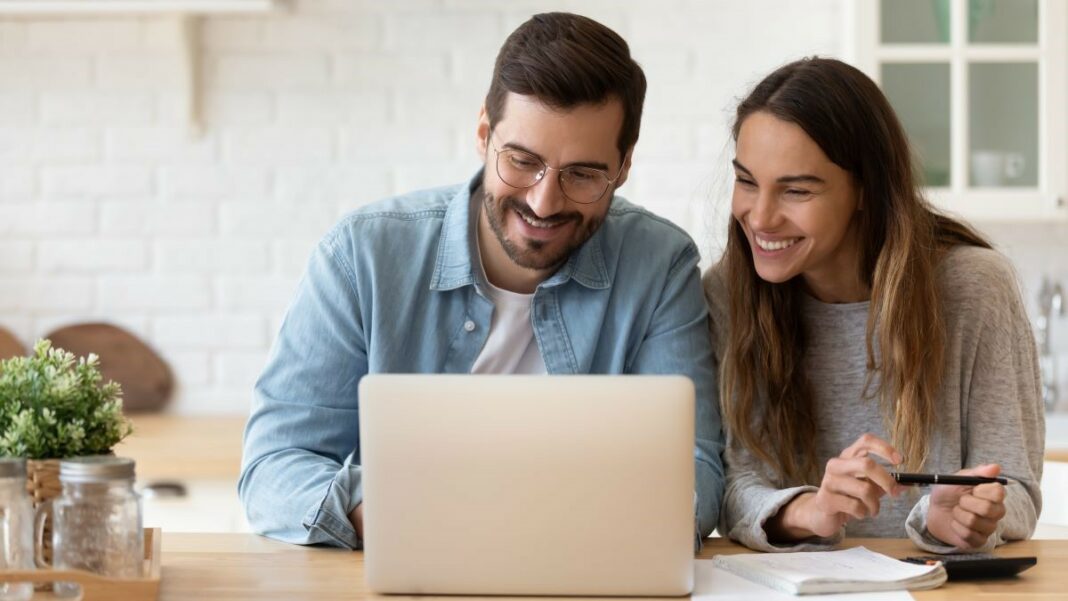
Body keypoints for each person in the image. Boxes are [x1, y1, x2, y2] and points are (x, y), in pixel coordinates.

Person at [240, 12, 724, 549]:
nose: (544, 201)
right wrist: (381, 510)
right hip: (414, 563)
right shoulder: (362, 256)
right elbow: (272, 467)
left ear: (624, 165)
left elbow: (694, 470)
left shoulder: (660, 266)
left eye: (583, 174)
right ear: (483, 135)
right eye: (522, 161)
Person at [704, 57, 1043, 553]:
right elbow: (734, 486)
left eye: (796, 190)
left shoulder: (975, 288)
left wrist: (961, 516)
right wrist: (813, 511)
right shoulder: (728, 292)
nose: (760, 217)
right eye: (747, 181)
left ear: (866, 190)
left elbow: (1016, 487)